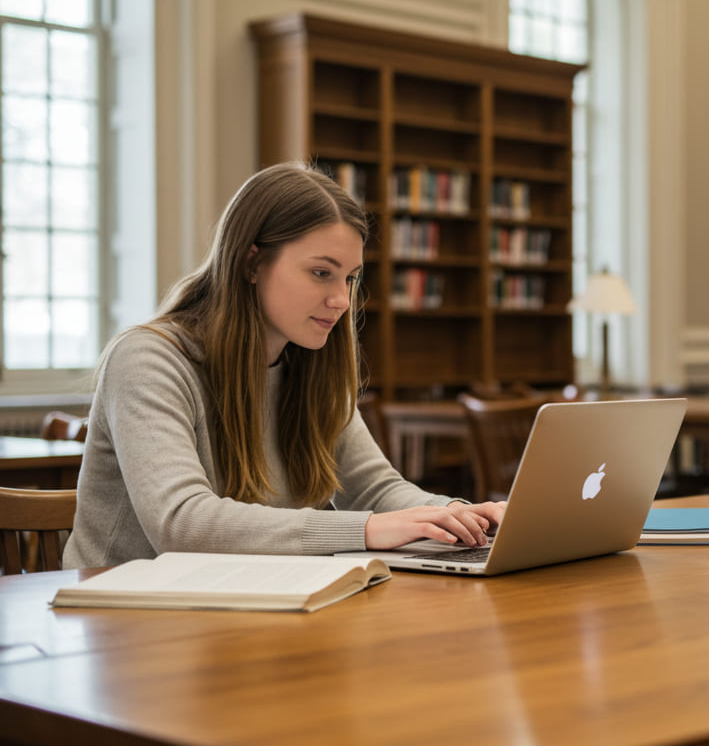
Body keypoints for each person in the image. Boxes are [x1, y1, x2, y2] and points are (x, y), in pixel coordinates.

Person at [64, 162, 503, 569]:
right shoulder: (147, 359)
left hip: (250, 598)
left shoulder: (310, 366)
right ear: (252, 262)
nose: (341, 300)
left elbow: (375, 489)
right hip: (124, 617)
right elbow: (181, 523)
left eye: (350, 277)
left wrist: (456, 515)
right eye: (320, 273)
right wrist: (366, 530)